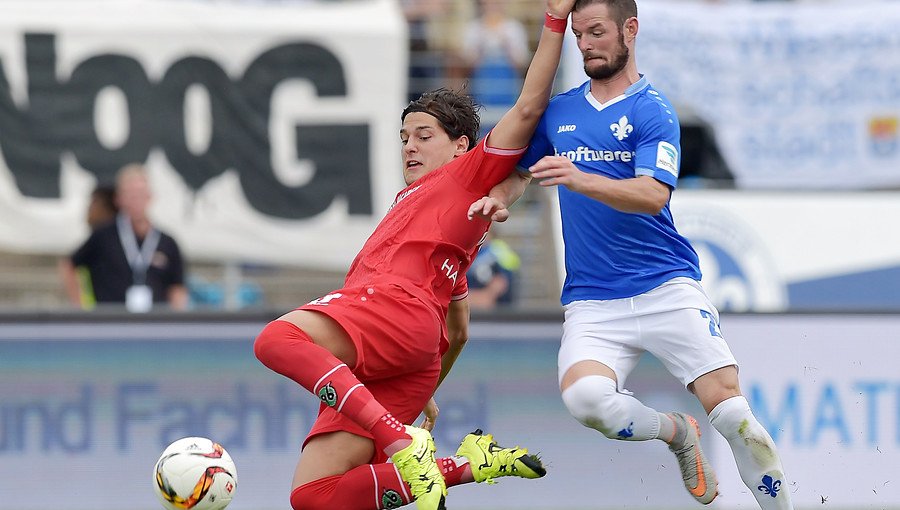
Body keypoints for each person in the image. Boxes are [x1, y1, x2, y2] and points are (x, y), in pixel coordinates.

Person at [251, 1, 575, 509]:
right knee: (314, 496)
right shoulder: (434, 218)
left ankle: (403, 444)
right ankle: (467, 465)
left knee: (276, 339)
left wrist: (553, 22)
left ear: (463, 147)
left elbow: (530, 106)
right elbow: (459, 329)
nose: (409, 146)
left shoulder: (463, 177)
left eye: (424, 136)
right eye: (404, 137)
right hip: (410, 351)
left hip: (391, 313)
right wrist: (422, 383)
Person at [471, 0, 794, 508]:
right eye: (578, 35)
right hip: (594, 301)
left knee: (734, 416)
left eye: (596, 32)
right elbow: (520, 173)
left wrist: (581, 178)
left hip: (665, 285)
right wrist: (499, 199)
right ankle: (677, 434)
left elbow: (653, 195)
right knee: (586, 401)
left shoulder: (652, 109)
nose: (585, 45)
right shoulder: (561, 112)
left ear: (630, 29)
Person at [59, 164, 188, 312]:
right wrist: (80, 307)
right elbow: (69, 265)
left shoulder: (167, 242)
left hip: (154, 324)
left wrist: (174, 319)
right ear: (119, 199)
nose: (136, 201)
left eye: (140, 194)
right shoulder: (103, 236)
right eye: (130, 195)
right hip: (112, 323)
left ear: (150, 196)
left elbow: (177, 287)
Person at [465, 231, 521, 309]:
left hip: (496, 312)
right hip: (465, 305)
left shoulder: (498, 252)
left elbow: (500, 285)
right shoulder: (463, 251)